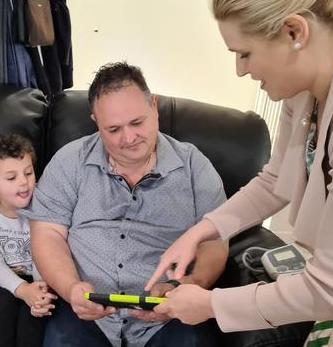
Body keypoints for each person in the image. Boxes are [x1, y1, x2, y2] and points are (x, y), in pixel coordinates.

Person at [146, 0, 333, 345]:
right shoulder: (308, 82)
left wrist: (212, 304)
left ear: (294, 32)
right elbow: (275, 178)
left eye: (244, 53)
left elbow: (331, 290)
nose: (239, 70)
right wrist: (202, 230)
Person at [20, 62, 229, 347]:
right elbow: (47, 233)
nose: (129, 138)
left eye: (137, 123)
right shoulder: (70, 161)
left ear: (154, 107)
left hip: (171, 315)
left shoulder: (195, 166)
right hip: (86, 315)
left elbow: (214, 242)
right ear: (95, 121)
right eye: (114, 129)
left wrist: (188, 286)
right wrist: (70, 289)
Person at [0, 133, 57, 347]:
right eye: (11, 178)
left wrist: (38, 289)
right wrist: (22, 290)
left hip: (43, 277)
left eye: (28, 173)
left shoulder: (46, 203)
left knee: (34, 322)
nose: (24, 183)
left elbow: (49, 249)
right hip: (3, 280)